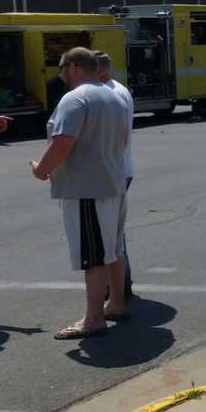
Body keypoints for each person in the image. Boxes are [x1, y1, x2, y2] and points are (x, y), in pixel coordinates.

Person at [30, 47, 130, 340]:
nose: (60, 74)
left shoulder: (75, 98)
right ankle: (117, 303)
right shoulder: (113, 95)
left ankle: (94, 319)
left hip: (87, 189)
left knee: (94, 255)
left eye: (61, 68)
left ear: (73, 67)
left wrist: (41, 170)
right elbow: (123, 140)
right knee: (114, 248)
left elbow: (62, 143)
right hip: (113, 182)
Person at [93, 51, 135, 299]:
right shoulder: (118, 89)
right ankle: (120, 283)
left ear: (100, 70)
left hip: (113, 169)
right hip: (120, 168)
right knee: (114, 230)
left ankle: (117, 285)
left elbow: (120, 137)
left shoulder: (109, 93)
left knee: (110, 232)